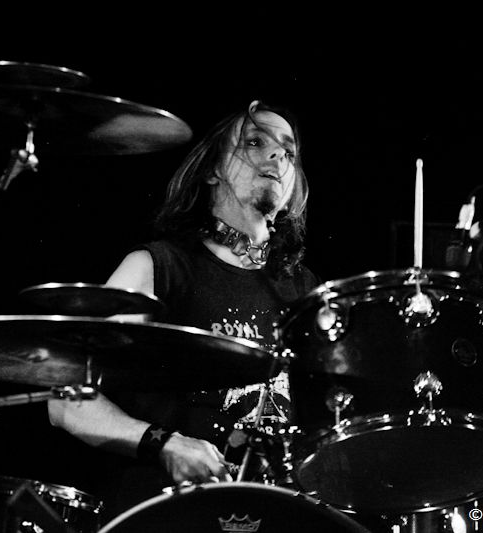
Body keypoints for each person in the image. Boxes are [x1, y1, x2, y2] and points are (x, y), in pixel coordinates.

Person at [47, 99, 319, 518]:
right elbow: (66, 401)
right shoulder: (156, 268)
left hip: (271, 516)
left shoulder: (306, 290)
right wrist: (165, 443)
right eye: (254, 141)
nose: (277, 156)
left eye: (288, 150)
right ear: (212, 170)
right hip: (166, 514)